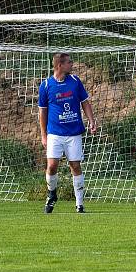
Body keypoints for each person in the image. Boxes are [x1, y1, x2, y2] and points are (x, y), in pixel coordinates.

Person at [38, 52, 97, 214]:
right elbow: (42, 112)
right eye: (69, 62)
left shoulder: (75, 81)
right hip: (54, 133)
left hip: (73, 133)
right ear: (60, 65)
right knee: (52, 165)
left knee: (75, 166)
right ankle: (52, 194)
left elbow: (85, 102)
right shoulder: (46, 85)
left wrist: (91, 121)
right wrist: (43, 135)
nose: (72, 64)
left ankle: (79, 205)